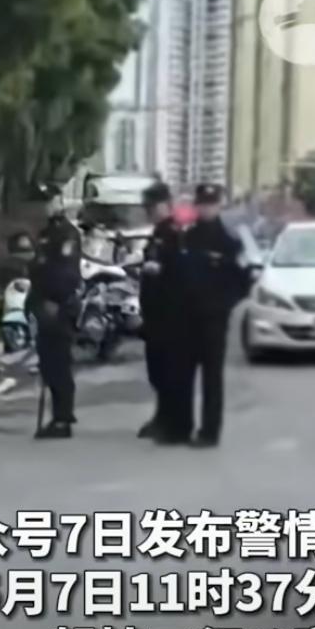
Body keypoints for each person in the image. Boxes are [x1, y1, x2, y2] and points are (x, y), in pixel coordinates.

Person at [181, 183, 250, 448]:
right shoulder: (187, 238)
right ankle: (184, 426)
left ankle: (210, 431)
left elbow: (244, 280)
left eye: (211, 204)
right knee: (184, 375)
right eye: (202, 204)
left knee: (212, 378)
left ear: (219, 206)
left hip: (214, 320)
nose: (206, 209)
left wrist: (224, 306)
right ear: (196, 206)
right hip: (188, 318)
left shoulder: (230, 242)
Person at [138, 181, 190, 442]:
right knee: (157, 371)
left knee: (169, 372)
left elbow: (180, 275)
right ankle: (161, 417)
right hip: (155, 315)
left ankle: (173, 423)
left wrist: (161, 272)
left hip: (169, 315)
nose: (148, 212)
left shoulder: (174, 234)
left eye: (151, 207)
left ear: (164, 205)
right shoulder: (158, 233)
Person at [28, 204, 83, 439]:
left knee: (59, 363)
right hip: (43, 304)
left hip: (58, 306)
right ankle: (59, 415)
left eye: (49, 201)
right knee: (49, 364)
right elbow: (38, 267)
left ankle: (63, 418)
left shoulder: (66, 234)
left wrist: (55, 299)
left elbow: (65, 272)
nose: (46, 207)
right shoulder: (45, 233)